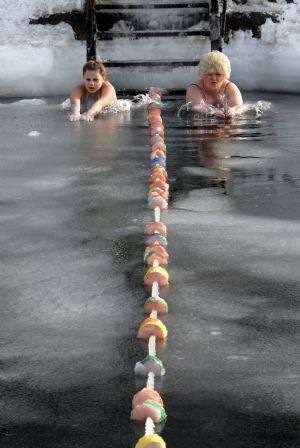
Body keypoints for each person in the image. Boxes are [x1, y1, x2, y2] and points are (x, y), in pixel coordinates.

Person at [186, 51, 243, 117]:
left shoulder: (230, 87)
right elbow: (196, 107)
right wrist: (213, 111)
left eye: (218, 74)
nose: (214, 78)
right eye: (210, 74)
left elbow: (239, 106)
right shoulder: (194, 88)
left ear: (224, 75)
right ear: (203, 74)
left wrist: (232, 110)